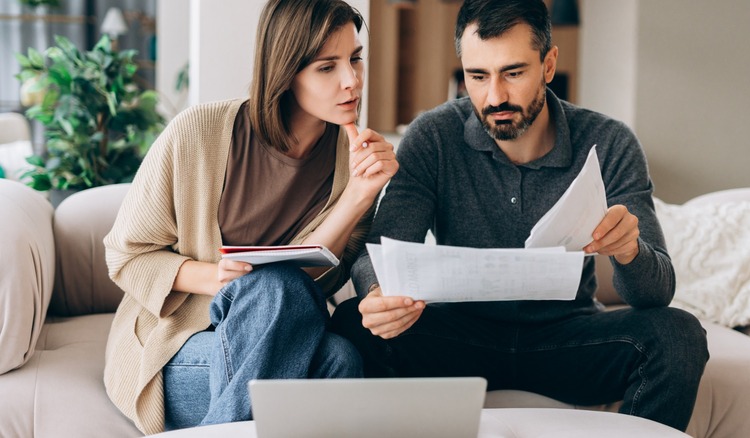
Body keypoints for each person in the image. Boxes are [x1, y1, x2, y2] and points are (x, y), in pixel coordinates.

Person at [331, 0, 709, 432]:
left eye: (513, 73)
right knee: (351, 324)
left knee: (678, 335)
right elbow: (380, 250)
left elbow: (655, 292)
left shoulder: (611, 141)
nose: (495, 97)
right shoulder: (432, 136)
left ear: (548, 65)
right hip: (459, 337)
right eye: (477, 76)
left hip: (568, 338)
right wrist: (377, 293)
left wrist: (629, 251)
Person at [102, 0, 398, 434]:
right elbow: (126, 257)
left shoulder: (351, 160)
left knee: (341, 356)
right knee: (272, 287)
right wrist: (223, 278)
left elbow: (321, 281)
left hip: (281, 340)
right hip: (182, 349)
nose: (351, 80)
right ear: (285, 72)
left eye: (355, 59)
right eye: (326, 67)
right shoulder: (197, 133)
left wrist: (357, 197)